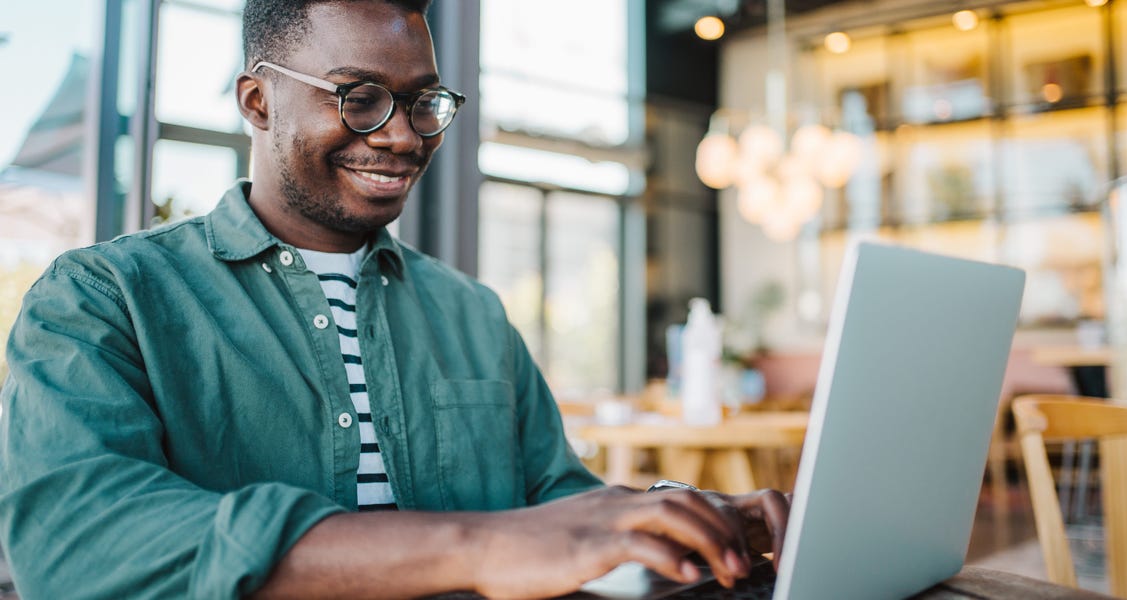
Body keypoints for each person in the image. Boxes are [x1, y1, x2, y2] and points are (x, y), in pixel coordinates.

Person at [0, 1, 790, 598]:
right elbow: (79, 541)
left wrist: (677, 518)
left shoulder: (471, 314)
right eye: (360, 97)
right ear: (257, 102)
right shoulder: (106, 297)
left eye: (423, 102)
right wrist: (476, 547)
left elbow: (557, 501)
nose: (405, 136)